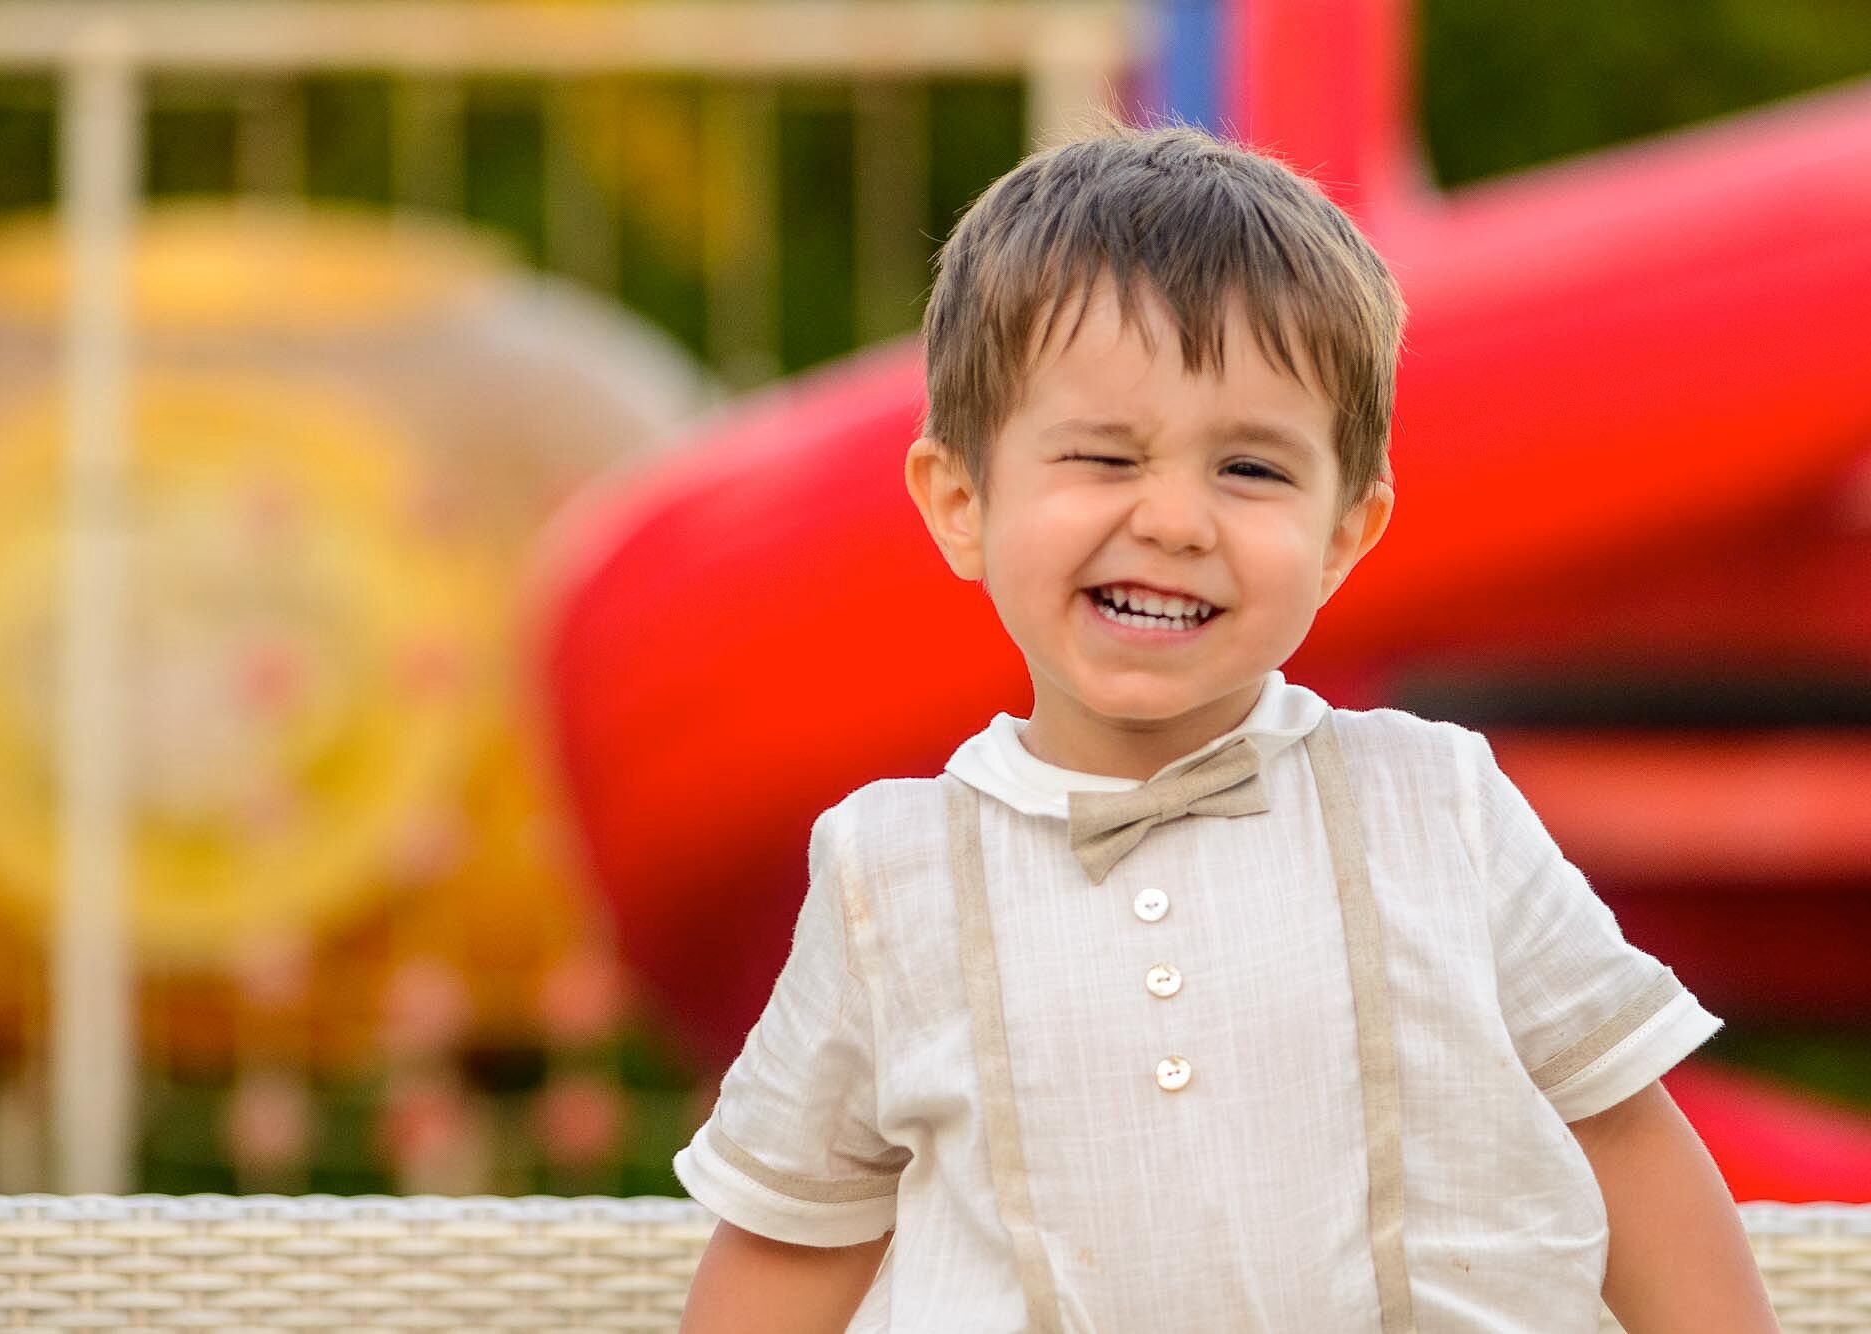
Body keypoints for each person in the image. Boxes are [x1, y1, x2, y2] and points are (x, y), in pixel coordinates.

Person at [673, 124, 1777, 1332]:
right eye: (1102, 455)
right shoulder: (890, 873)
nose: (1175, 518)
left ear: (1343, 534)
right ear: (959, 503)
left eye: (1249, 470)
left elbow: (1626, 1145)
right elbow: (790, 1245)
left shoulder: (1435, 803)